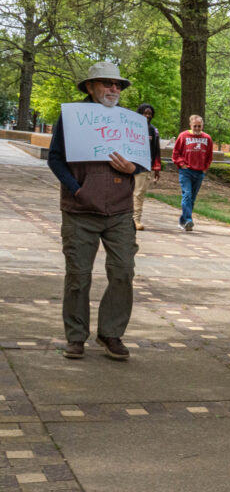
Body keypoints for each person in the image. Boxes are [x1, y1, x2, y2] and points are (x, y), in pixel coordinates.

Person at [47, 61, 144, 360]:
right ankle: (75, 336)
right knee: (78, 275)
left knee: (123, 272)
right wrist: (76, 189)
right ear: (90, 87)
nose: (114, 89)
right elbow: (54, 158)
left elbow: (142, 159)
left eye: (118, 85)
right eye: (107, 83)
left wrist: (133, 168)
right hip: (80, 210)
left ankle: (110, 333)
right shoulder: (72, 117)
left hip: (119, 209)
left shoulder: (131, 121)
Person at [171, 115, 213, 231]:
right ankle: (188, 220)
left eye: (199, 126)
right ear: (190, 125)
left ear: (202, 126)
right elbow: (175, 154)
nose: (197, 128)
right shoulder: (183, 136)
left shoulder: (207, 138)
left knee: (192, 198)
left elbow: (209, 156)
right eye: (195, 126)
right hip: (186, 171)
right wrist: (181, 164)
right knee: (187, 194)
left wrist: (205, 168)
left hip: (199, 172)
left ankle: (183, 221)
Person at [131, 103, 161, 231]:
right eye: (145, 113)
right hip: (128, 164)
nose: (147, 116)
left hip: (144, 166)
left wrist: (156, 168)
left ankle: (136, 219)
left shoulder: (153, 131)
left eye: (150, 114)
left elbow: (156, 150)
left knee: (139, 193)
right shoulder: (130, 127)